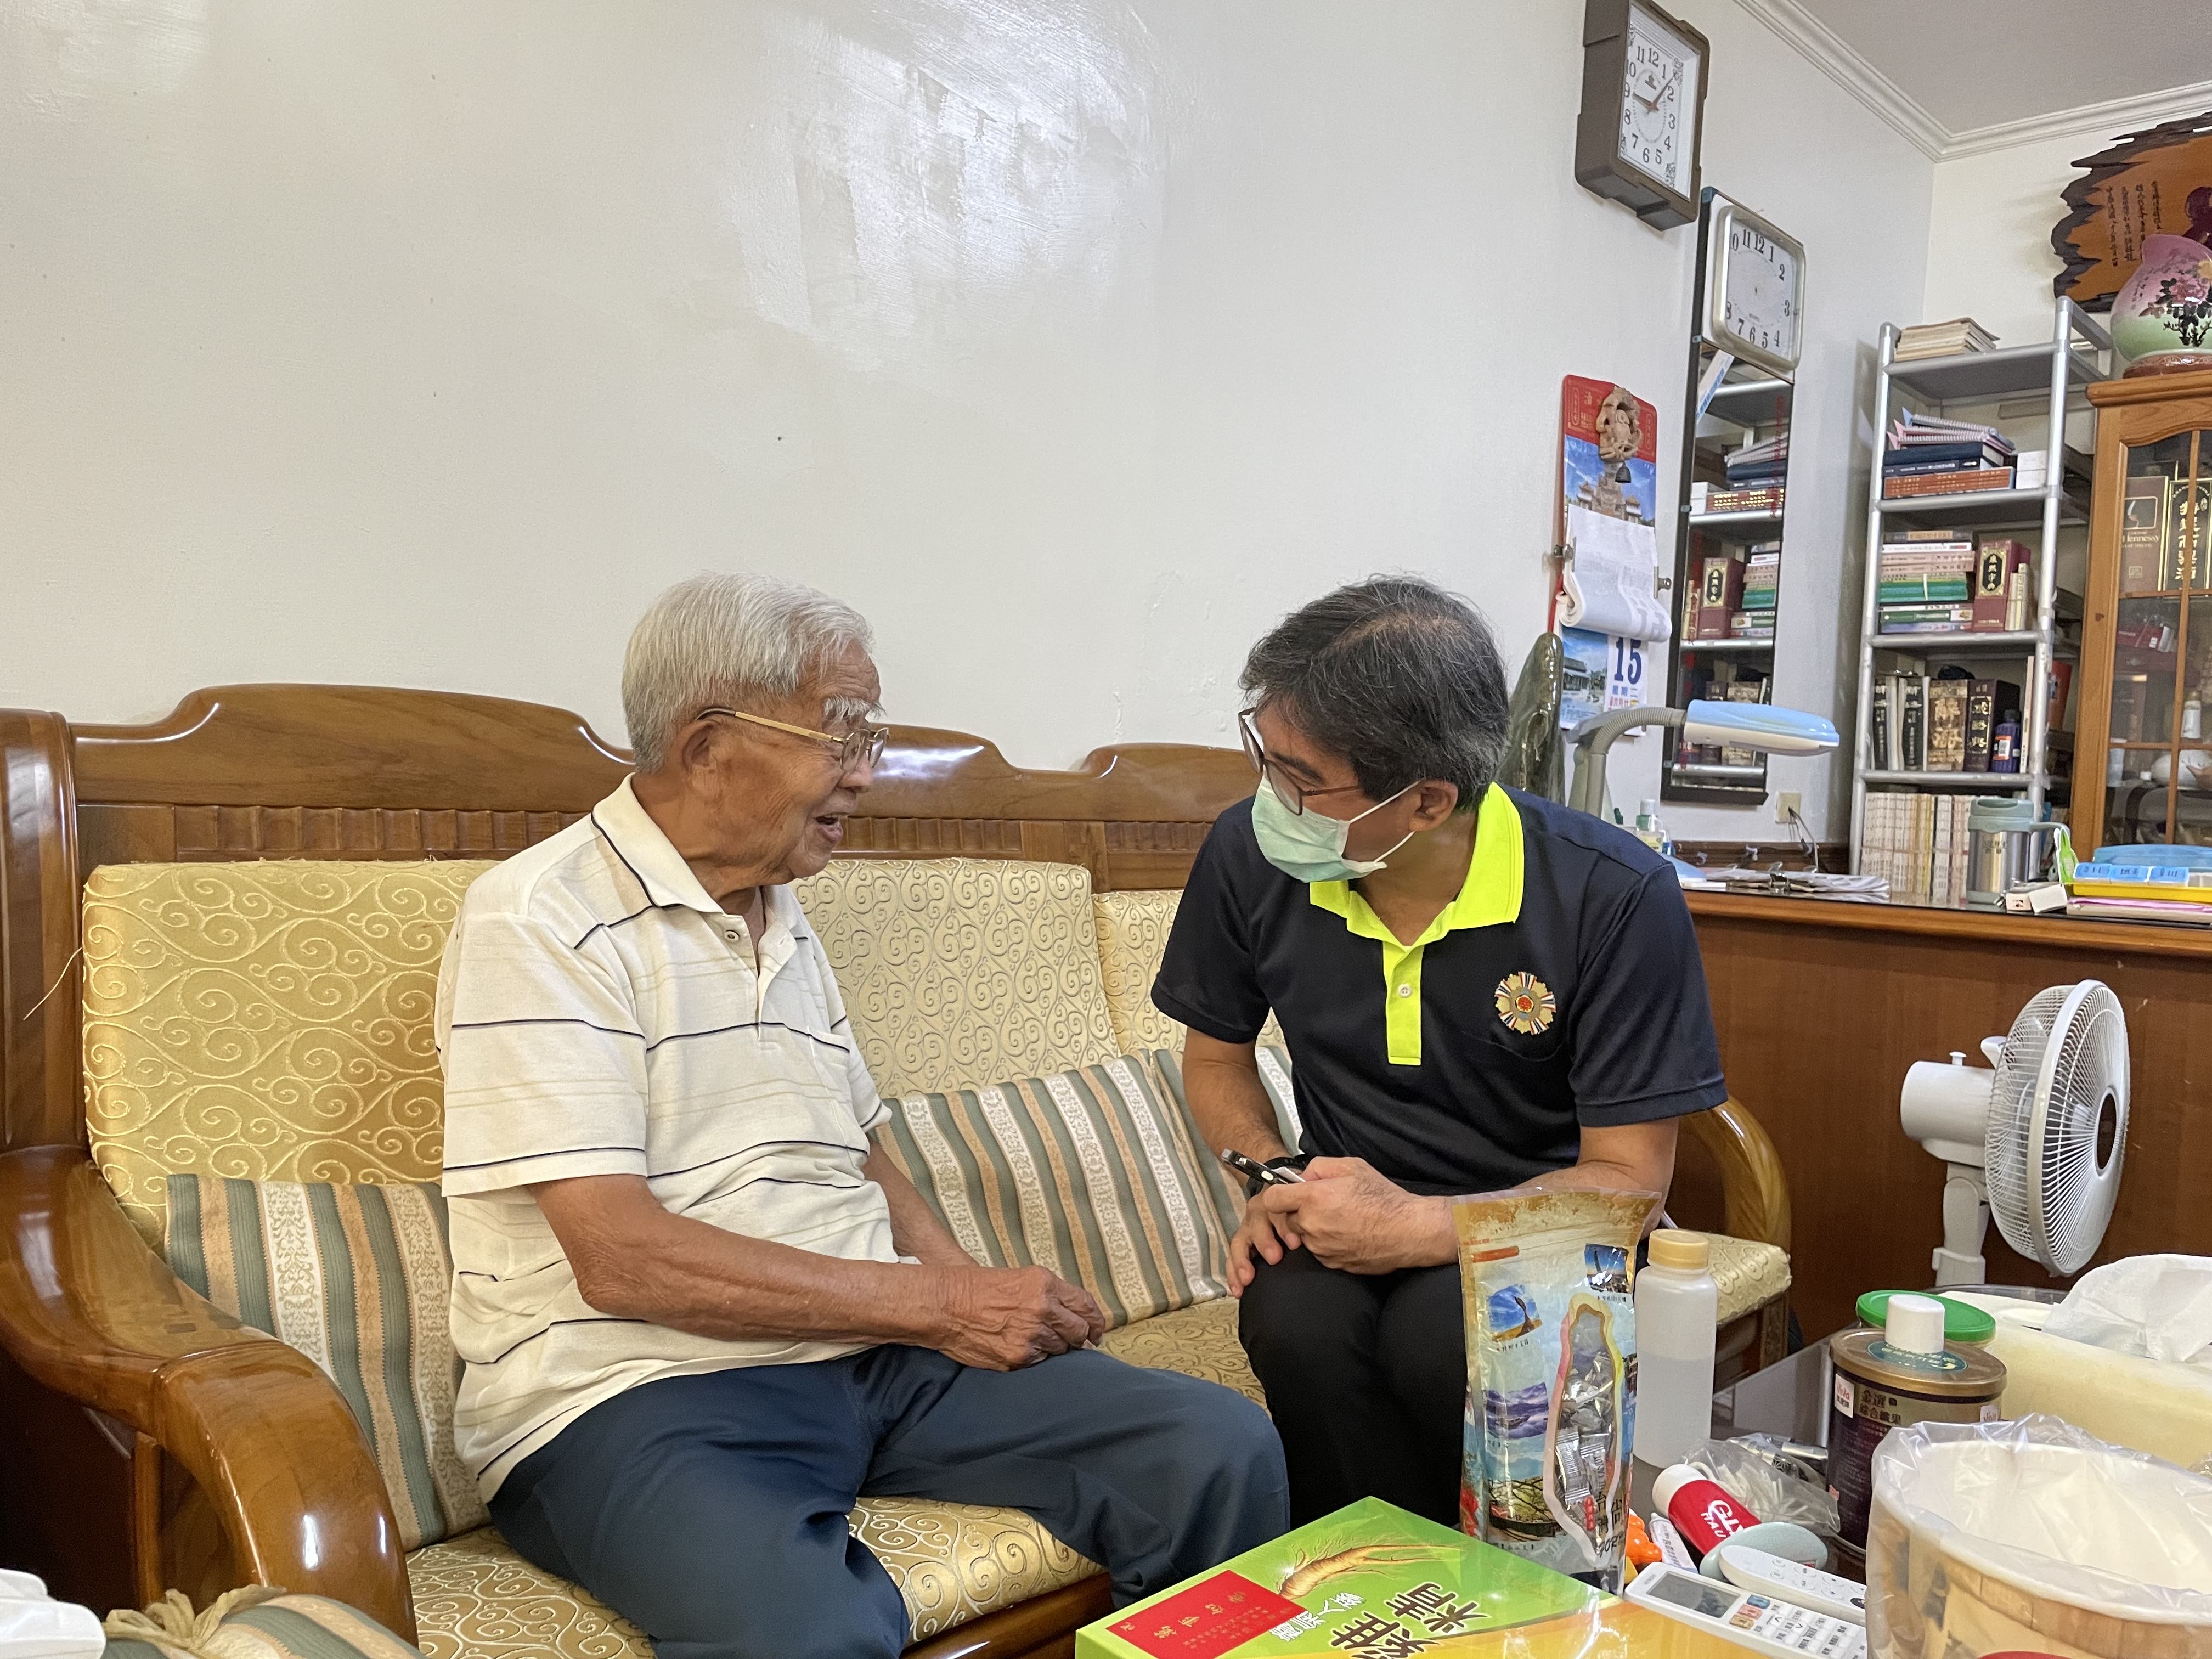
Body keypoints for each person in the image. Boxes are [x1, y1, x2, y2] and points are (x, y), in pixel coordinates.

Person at [436, 573, 1286, 1659]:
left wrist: (966, 1293)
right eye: (842, 734)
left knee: (1216, 1446)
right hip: (635, 1390)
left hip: (872, 1353)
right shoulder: (541, 918)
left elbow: (861, 1150)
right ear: (705, 746)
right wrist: (936, 1302)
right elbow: (618, 1257)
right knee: (810, 1631)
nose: (867, 773)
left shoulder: (780, 910)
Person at [1151, 576, 1725, 1528]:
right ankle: (1361, 1593)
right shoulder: (1249, 857)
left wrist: (1418, 1229)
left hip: (1538, 1230)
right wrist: (1273, 1179)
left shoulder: (1613, 896)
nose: (1270, 794)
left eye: (1302, 780)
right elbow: (1216, 1059)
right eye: (1266, 755)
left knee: (1444, 1337)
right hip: (1340, 1206)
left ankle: (1486, 1599)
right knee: (1291, 1318)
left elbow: (1628, 1183)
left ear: (1425, 802)